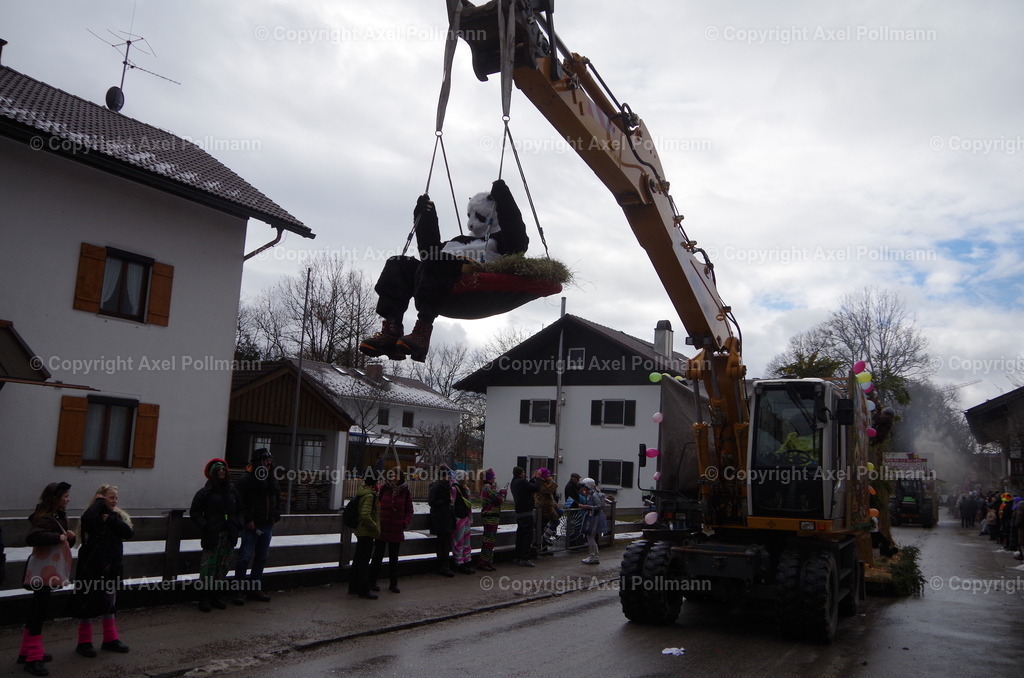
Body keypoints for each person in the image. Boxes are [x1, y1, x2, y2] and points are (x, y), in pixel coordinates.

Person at [359, 179, 528, 362]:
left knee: (438, 260)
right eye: (470, 216)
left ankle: (422, 330)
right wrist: (425, 217)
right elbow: (428, 251)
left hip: (465, 284)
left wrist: (504, 199)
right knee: (398, 263)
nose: (472, 223)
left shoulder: (500, 241)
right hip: (436, 279)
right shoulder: (459, 241)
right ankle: (391, 329)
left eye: (478, 217)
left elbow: (517, 241)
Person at [18, 482, 75, 675]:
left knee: (37, 609)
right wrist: (57, 537)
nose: (68, 499)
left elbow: (58, 539)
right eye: (65, 496)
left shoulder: (56, 517)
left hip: (48, 569)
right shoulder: (45, 518)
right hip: (43, 571)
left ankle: (27, 651)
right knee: (39, 611)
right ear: (55, 498)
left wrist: (68, 537)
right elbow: (33, 537)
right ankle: (33, 658)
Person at [71, 485, 133, 658]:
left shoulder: (116, 517)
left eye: (116, 497)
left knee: (109, 602)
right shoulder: (92, 515)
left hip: (111, 566)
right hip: (91, 566)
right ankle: (84, 642)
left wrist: (111, 519)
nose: (114, 500)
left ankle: (110, 638)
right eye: (111, 497)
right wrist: (98, 503)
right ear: (100, 497)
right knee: (86, 601)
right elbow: (87, 519)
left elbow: (129, 533)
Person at [189, 459, 243, 612]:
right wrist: (205, 525)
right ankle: (204, 598)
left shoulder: (233, 492)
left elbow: (241, 510)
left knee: (223, 566)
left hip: (229, 534)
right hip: (212, 535)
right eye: (218, 470)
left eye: (223, 470)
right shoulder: (204, 492)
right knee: (208, 568)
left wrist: (238, 523)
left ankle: (216, 596)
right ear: (212, 473)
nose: (221, 472)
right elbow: (195, 512)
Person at [232, 448, 281, 603]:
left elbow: (277, 497)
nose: (269, 462)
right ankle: (238, 590)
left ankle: (255, 588)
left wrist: (275, 514)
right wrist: (247, 519)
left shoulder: (272, 479)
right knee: (245, 557)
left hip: (266, 524)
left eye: (270, 459)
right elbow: (239, 502)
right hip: (251, 525)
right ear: (258, 461)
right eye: (266, 459)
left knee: (261, 557)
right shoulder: (245, 480)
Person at [370, 466, 413, 593]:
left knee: (394, 558)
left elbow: (409, 510)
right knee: (377, 556)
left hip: (396, 528)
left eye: (395, 475)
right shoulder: (384, 489)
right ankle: (372, 581)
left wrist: (404, 523)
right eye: (391, 475)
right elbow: (376, 504)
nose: (393, 478)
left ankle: (393, 583)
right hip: (382, 528)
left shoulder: (405, 492)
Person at [348, 474, 381, 599]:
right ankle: (363, 589)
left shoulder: (362, 493)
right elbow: (365, 515)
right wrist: (375, 527)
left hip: (360, 531)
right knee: (364, 562)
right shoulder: (369, 496)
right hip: (366, 532)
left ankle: (353, 586)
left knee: (358, 560)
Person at [510, 467, 541, 567]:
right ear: (520, 474)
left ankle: (517, 556)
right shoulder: (522, 482)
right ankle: (524, 558)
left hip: (519, 511)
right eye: (523, 472)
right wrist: (539, 478)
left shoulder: (514, 482)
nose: (524, 474)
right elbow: (536, 488)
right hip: (526, 512)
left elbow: (528, 487)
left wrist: (532, 479)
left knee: (520, 535)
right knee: (527, 536)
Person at [428, 466, 456, 577]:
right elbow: (432, 502)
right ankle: (442, 566)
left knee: (445, 542)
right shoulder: (437, 486)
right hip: (440, 518)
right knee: (442, 543)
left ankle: (444, 565)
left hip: (446, 517)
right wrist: (446, 501)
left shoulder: (446, 486)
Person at [478, 469, 506, 572]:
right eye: (493, 476)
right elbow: (498, 500)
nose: (495, 478)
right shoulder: (488, 487)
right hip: (490, 516)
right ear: (490, 478)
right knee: (489, 540)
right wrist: (502, 493)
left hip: (492, 516)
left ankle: (487, 561)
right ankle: (483, 561)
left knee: (490, 539)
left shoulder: (488, 487)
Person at [579, 477, 608, 565]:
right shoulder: (590, 495)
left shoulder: (594, 495)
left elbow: (599, 506)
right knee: (590, 536)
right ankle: (593, 555)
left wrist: (587, 507)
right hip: (592, 516)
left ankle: (593, 556)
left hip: (595, 517)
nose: (583, 488)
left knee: (590, 536)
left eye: (584, 486)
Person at [451, 471, 475, 574]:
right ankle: (459, 561)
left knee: (466, 541)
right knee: (459, 541)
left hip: (465, 518)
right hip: (459, 518)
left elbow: (469, 505)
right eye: (465, 477)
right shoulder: (455, 489)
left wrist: (470, 517)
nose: (467, 478)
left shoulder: (466, 489)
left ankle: (466, 560)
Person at [534, 468, 560, 548]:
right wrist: (552, 482)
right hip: (544, 507)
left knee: (560, 512)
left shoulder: (545, 482)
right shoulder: (540, 483)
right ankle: (546, 536)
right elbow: (548, 490)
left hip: (549, 505)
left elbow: (550, 495)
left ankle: (547, 530)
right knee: (556, 521)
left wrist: (554, 503)